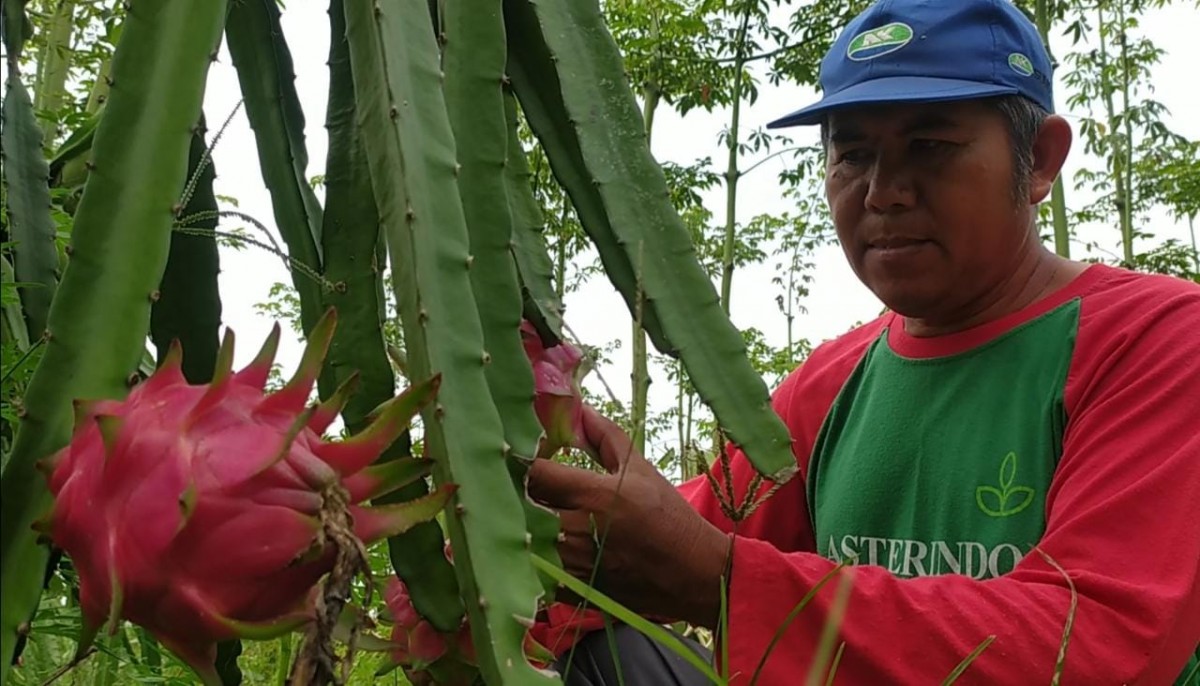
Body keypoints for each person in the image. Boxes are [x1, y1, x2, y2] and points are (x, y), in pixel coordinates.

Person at [524, 0, 1200, 684]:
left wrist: (727, 581)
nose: (883, 192)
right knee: (597, 656)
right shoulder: (834, 380)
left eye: (930, 146)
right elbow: (674, 536)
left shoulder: (1159, 342)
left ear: (1040, 161)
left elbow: (1099, 650)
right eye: (853, 154)